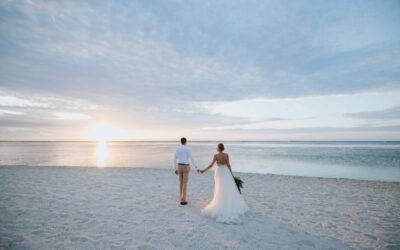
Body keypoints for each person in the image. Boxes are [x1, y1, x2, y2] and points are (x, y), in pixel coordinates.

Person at [198, 143, 248, 223]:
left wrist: (203, 170)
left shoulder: (216, 155)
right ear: (223, 148)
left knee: (219, 187)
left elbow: (211, 165)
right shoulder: (226, 155)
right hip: (226, 171)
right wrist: (231, 174)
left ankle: (219, 201)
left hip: (219, 171)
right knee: (226, 187)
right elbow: (228, 165)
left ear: (218, 148)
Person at [172, 137, 198, 205]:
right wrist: (196, 167)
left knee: (181, 182)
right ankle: (183, 200)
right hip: (186, 166)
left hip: (179, 166)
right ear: (186, 142)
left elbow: (174, 159)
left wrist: (175, 169)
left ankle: (181, 197)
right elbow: (192, 158)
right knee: (185, 183)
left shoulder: (177, 149)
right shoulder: (188, 149)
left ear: (181, 142)